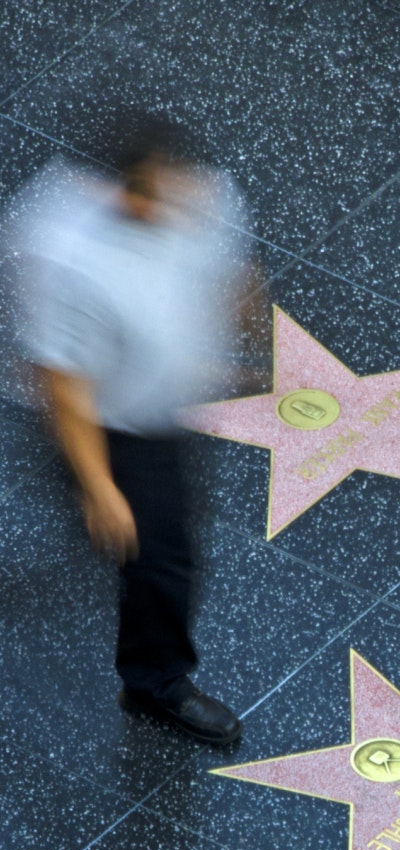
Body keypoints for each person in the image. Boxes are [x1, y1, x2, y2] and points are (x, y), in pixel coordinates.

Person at [7, 115, 258, 743]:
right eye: (156, 195)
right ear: (118, 190)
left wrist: (241, 326)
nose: (177, 206)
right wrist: (99, 486)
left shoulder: (207, 196)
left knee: (147, 543)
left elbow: (233, 275)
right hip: (115, 422)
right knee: (160, 558)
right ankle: (155, 685)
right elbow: (63, 383)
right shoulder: (67, 256)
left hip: (159, 399)